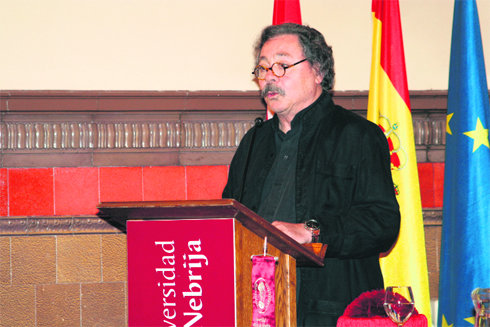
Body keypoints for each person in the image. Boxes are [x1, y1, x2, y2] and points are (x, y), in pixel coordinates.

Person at [222, 23, 400, 326]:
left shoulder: (357, 136)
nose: (269, 78)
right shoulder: (254, 142)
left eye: (282, 66)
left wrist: (312, 232)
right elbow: (231, 218)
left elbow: (382, 224)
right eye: (263, 69)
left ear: (318, 71)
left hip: (331, 308)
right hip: (259, 307)